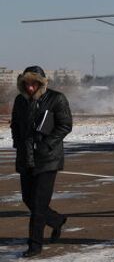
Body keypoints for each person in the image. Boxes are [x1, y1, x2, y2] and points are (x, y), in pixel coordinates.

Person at [11, 66, 72, 258]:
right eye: (26, 84)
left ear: (41, 83)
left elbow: (65, 125)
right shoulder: (20, 100)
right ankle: (56, 220)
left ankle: (35, 245)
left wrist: (46, 144)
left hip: (47, 159)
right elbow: (15, 124)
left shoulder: (56, 98)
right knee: (27, 199)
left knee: (38, 205)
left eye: (34, 84)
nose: (30, 88)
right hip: (25, 157)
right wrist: (18, 143)